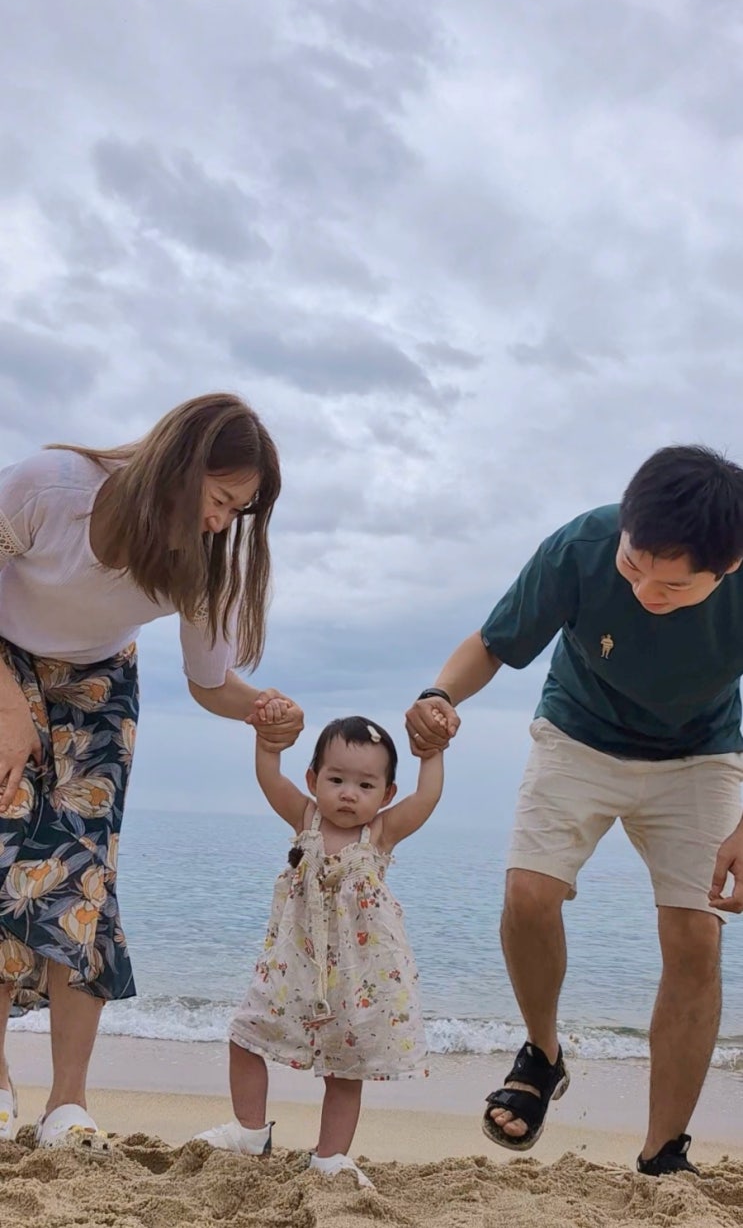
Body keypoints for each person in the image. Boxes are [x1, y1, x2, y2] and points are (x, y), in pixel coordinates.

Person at [405, 445, 743, 1177]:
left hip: (701, 753)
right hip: (579, 732)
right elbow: (493, 642)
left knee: (695, 937)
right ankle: (542, 1052)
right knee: (529, 895)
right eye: (633, 566)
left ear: (728, 568)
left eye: (673, 585)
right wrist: (438, 695)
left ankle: (661, 1152)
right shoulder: (583, 543)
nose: (645, 591)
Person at [0, 393, 304, 1152]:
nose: (221, 522)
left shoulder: (196, 563)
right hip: (2, 661)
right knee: (5, 852)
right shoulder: (50, 487)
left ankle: (66, 1107)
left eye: (237, 511)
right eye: (220, 499)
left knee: (82, 873)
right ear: (179, 463)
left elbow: (211, 683)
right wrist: (8, 707)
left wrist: (264, 711)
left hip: (99, 683)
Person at [196, 709, 452, 1189]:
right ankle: (249, 1130)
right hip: (294, 963)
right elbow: (270, 778)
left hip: (357, 975)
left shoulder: (379, 834)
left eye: (365, 785)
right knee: (247, 1033)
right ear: (313, 780)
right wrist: (267, 740)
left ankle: (330, 1157)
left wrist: (432, 752)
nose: (349, 793)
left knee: (345, 1066)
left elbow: (428, 797)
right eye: (336, 780)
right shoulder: (306, 819)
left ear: (387, 794)